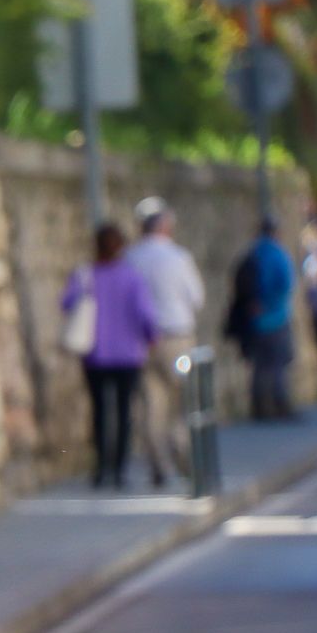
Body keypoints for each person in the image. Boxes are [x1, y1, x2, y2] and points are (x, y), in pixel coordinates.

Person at [61, 223, 160, 488]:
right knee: (125, 411)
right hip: (129, 355)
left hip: (95, 355)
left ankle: (100, 467)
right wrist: (152, 338)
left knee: (99, 411)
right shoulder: (132, 278)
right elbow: (145, 314)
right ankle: (119, 469)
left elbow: (67, 303)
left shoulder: (84, 276)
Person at [124, 198, 205, 488]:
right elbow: (196, 297)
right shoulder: (178, 258)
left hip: (143, 343)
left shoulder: (130, 258)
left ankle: (158, 463)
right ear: (165, 225)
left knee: (151, 403)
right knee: (184, 397)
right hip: (177, 339)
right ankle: (182, 454)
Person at [227, 217, 298, 420]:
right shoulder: (278, 255)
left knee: (259, 365)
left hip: (254, 319)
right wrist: (269, 304)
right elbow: (286, 284)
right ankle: (280, 404)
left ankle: (258, 407)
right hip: (276, 316)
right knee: (277, 363)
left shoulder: (253, 253)